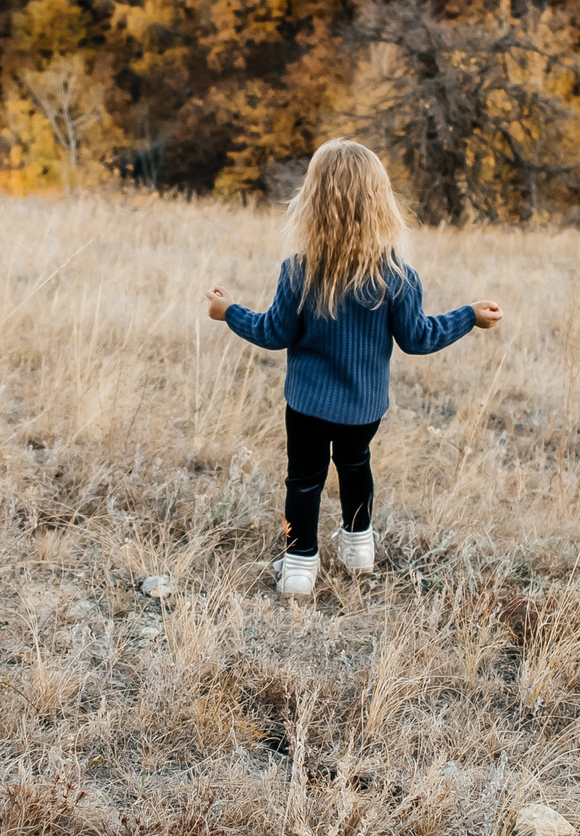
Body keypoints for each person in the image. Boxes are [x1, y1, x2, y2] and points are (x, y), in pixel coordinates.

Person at [206, 139, 502, 596]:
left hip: (306, 405)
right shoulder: (397, 276)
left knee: (303, 480)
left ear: (313, 201)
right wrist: (469, 316)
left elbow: (272, 333)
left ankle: (300, 565)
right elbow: (418, 338)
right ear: (380, 201)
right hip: (365, 408)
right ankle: (359, 544)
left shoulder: (299, 271)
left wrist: (229, 311)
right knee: (355, 464)